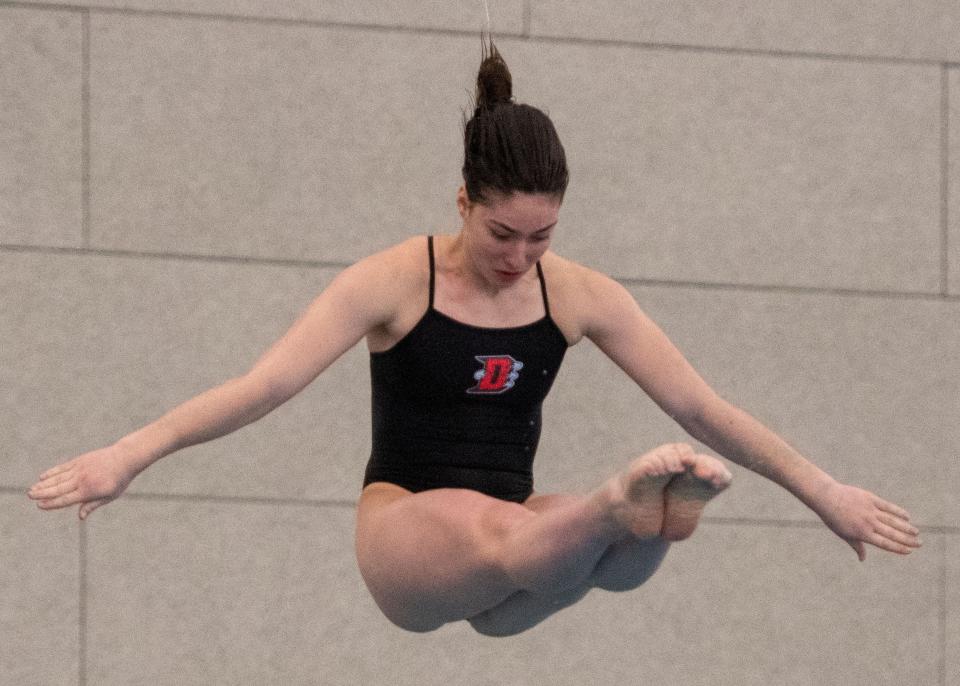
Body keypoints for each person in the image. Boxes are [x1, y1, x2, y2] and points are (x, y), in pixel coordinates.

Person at [28, 35, 921, 637]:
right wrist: (130, 453)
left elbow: (700, 403)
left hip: (520, 542)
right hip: (407, 535)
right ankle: (619, 509)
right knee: (524, 536)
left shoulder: (574, 294)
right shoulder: (391, 283)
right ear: (464, 203)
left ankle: (641, 521)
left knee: (606, 564)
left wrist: (822, 490)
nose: (521, 256)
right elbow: (260, 387)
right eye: (503, 235)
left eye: (543, 237)